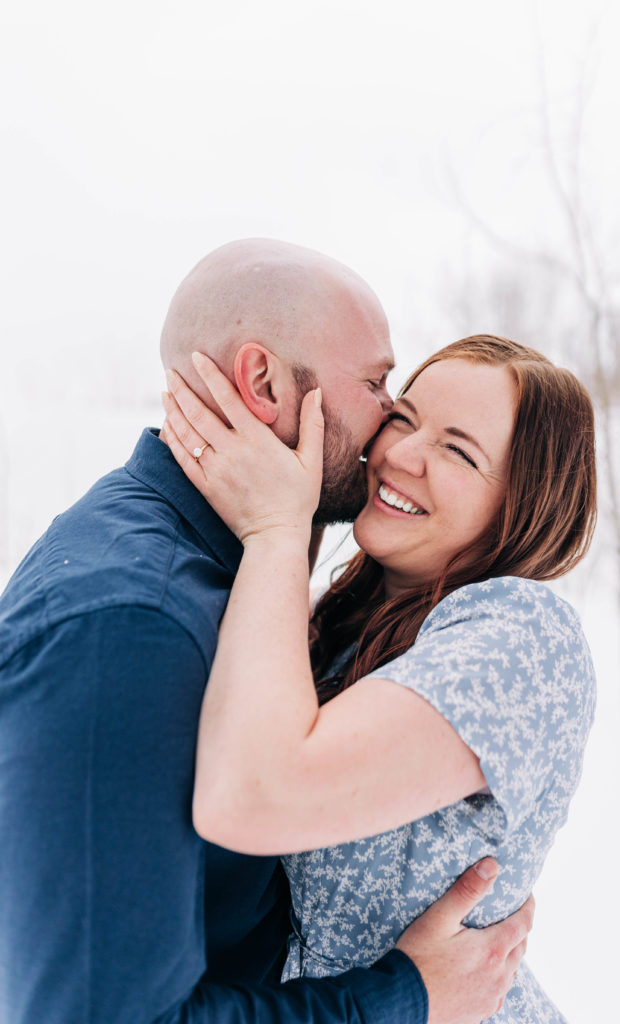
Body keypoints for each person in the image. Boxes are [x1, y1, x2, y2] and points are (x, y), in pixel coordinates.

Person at [0, 241, 533, 1024]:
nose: (390, 421)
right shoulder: (130, 626)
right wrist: (402, 998)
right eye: (378, 384)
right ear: (264, 383)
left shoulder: (231, 573)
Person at [161, 332, 598, 1024]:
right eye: (403, 416)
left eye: (457, 450)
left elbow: (253, 796)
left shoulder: (523, 635)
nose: (397, 453)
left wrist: (277, 526)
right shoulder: (349, 627)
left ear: (523, 505)